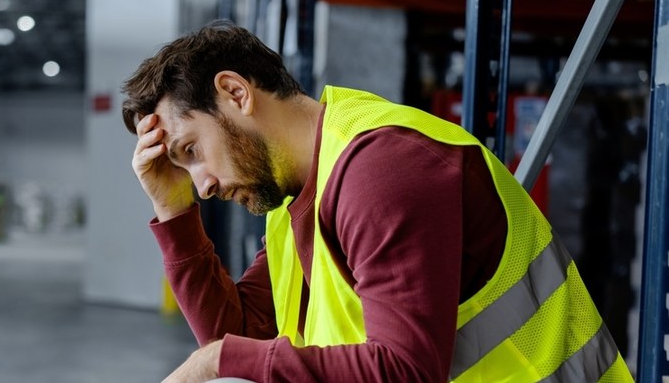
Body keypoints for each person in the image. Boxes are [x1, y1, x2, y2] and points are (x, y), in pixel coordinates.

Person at [121, 20, 632, 382]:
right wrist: (174, 210)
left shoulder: (382, 168)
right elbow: (233, 333)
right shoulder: (298, 198)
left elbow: (406, 371)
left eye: (193, 152)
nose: (203, 185)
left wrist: (219, 361)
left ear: (235, 93)